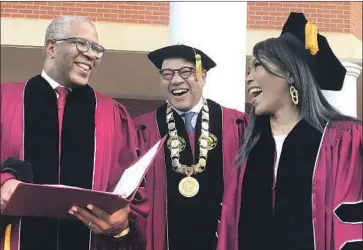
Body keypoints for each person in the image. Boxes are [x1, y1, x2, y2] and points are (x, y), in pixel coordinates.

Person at [216, 12, 362, 250]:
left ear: (290, 74)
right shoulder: (248, 148)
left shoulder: (342, 141)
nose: (248, 77)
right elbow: (229, 230)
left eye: (258, 65)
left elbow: (352, 226)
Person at [0, 16, 148, 250]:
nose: (92, 55)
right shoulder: (5, 99)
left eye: (97, 48)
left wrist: (123, 220)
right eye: (82, 44)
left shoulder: (112, 113)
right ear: (51, 47)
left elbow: (133, 187)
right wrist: (4, 183)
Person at [134, 44, 248, 250]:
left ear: (202, 76)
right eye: (167, 74)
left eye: (185, 72)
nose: (176, 80)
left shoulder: (236, 124)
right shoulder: (142, 128)